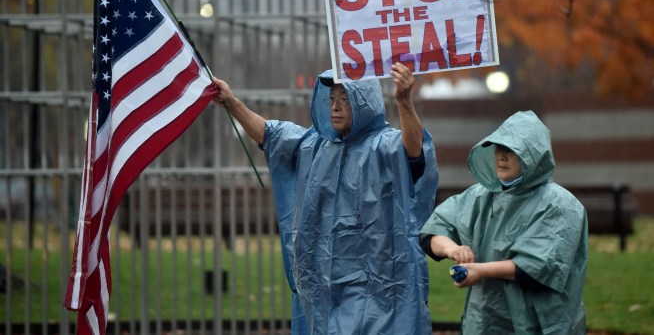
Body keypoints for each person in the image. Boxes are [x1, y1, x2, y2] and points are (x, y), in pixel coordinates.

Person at [212, 63, 439, 334]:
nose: (335, 106)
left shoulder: (385, 146)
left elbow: (414, 151)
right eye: (332, 99)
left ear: (365, 103)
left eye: (345, 100)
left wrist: (403, 100)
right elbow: (270, 134)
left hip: (383, 287)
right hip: (327, 289)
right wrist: (232, 102)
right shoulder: (315, 146)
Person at [420, 110, 588, 334]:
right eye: (499, 148)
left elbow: (535, 267)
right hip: (485, 320)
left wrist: (479, 271)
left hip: (540, 322)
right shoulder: (481, 196)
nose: (501, 156)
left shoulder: (560, 205)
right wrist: (453, 249)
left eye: (512, 150)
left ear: (534, 157)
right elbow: (433, 230)